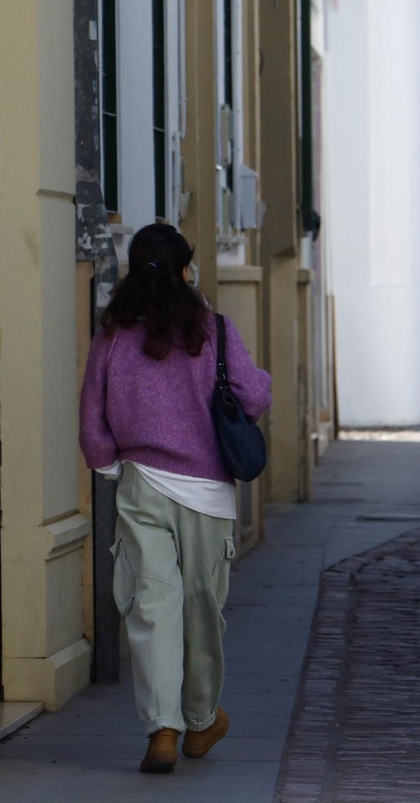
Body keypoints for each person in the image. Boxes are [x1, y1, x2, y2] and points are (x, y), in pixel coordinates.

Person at [79, 223, 273, 774]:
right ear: (185, 269)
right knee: (200, 606)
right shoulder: (211, 328)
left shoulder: (114, 333)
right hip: (207, 492)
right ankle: (200, 718)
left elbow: (91, 408)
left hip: (141, 483)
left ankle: (161, 729)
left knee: (152, 606)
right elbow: (254, 393)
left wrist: (108, 463)